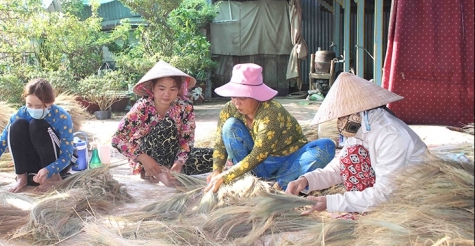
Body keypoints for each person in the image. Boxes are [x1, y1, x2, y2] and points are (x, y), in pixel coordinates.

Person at [285, 72, 428, 215]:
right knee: (351, 156)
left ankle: (367, 210)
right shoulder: (360, 127)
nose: (339, 122)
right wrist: (305, 181)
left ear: (357, 112)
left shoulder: (392, 136)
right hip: (386, 191)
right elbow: (339, 168)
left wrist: (331, 202)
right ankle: (361, 207)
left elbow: (384, 193)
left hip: (409, 196)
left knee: (354, 155)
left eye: (342, 115)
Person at [204, 63, 336, 193]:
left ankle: (280, 184)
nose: (236, 102)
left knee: (326, 145)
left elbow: (258, 154)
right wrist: (217, 171)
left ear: (256, 95)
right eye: (233, 97)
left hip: (290, 161)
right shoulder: (229, 109)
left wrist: (226, 176)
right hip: (257, 166)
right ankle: (248, 180)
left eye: (243, 97)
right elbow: (220, 143)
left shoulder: (271, 112)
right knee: (229, 126)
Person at [111, 60, 214, 186]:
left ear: (178, 90)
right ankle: (156, 172)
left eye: (172, 89)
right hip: (147, 156)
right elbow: (117, 138)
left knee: (213, 156)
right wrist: (144, 158)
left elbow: (187, 141)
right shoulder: (142, 108)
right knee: (167, 125)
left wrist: (179, 163)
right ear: (152, 89)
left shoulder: (185, 107)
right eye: (161, 88)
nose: (167, 94)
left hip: (173, 154)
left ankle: (171, 172)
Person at [0, 78, 74, 193]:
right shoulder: (21, 113)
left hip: (56, 166)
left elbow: (66, 157)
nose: (33, 109)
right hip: (34, 165)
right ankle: (21, 177)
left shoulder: (62, 117)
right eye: (29, 105)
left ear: (50, 103)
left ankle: (53, 178)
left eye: (38, 107)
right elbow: (1, 143)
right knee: (17, 125)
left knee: (37, 124)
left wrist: (49, 170)